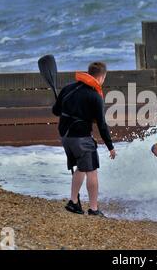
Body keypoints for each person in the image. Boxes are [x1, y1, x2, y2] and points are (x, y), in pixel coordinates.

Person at [52, 61, 116, 216]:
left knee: (81, 168)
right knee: (92, 171)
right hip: (81, 138)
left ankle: (74, 202)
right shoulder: (95, 96)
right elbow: (101, 124)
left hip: (66, 137)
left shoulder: (68, 88)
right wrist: (110, 146)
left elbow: (55, 111)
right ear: (102, 77)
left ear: (88, 73)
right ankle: (94, 209)